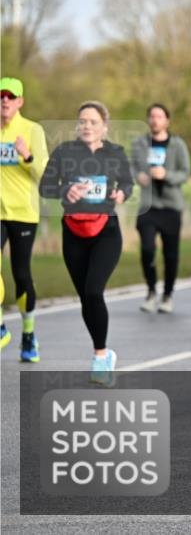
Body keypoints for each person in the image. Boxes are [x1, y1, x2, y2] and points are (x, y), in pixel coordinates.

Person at [39, 101, 133, 386]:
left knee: (94, 290)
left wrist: (121, 195)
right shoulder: (64, 152)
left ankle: (101, 356)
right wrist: (67, 189)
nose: (87, 126)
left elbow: (127, 184)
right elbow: (45, 186)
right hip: (73, 231)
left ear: (104, 126)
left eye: (93, 121)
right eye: (82, 121)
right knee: (85, 297)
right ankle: (101, 351)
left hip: (106, 230)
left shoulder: (115, 153)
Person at [0, 77, 49, 361]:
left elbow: (45, 175)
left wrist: (27, 156)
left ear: (20, 102)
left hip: (23, 213)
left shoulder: (32, 130)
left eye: (10, 96)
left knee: (21, 275)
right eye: (1, 95)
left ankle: (29, 335)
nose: (4, 100)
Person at [130, 103, 191, 314]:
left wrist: (166, 175)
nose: (155, 120)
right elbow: (131, 167)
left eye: (159, 116)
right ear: (148, 120)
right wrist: (138, 176)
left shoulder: (178, 145)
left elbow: (185, 173)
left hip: (171, 206)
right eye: (152, 116)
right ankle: (150, 290)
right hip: (148, 207)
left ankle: (167, 295)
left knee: (170, 254)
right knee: (147, 249)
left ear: (167, 121)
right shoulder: (139, 144)